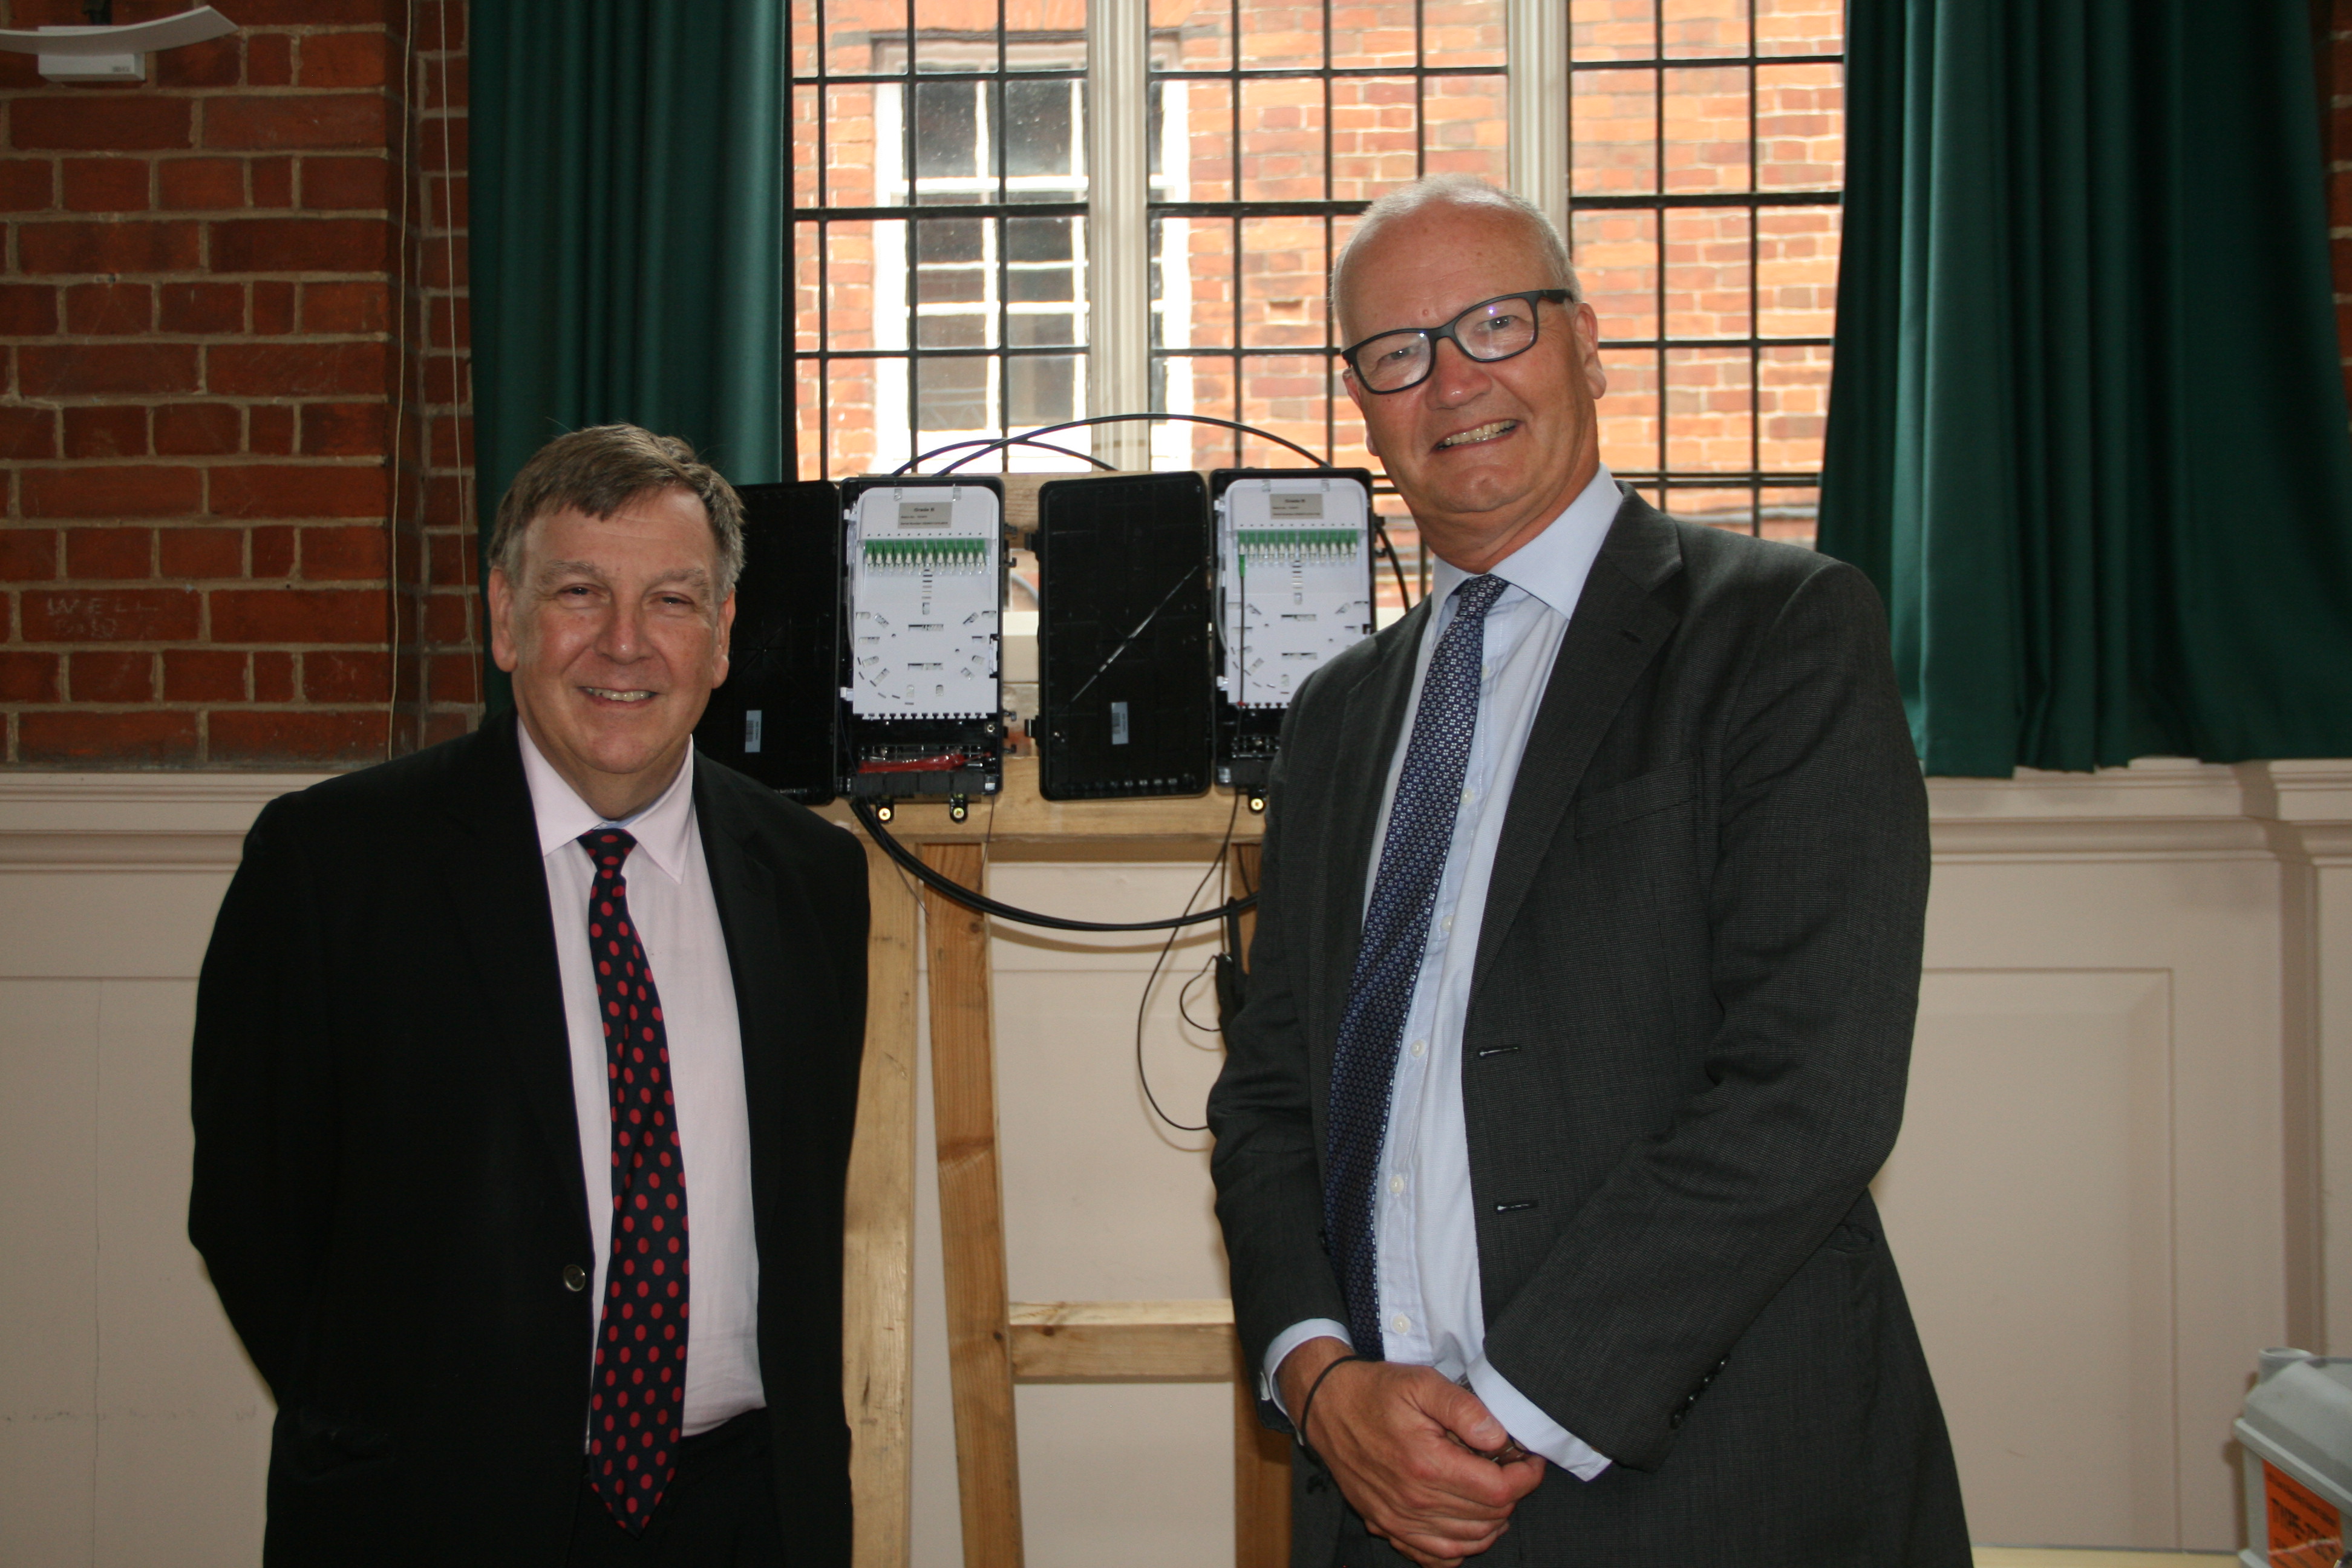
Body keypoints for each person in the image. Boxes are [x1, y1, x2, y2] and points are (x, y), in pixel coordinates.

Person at [1207, 177, 1971, 1567]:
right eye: (1398, 352)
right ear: (1364, 405)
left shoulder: (1781, 633)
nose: (1452, 382)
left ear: (1589, 341)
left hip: (1705, 1482)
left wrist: (1506, 1414)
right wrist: (1321, 1384)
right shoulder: (1332, 718)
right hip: (1378, 1494)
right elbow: (1269, 1098)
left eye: (1496, 323)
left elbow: (1810, 1090)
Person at [189, 425, 868, 1566]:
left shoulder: (811, 879)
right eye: (578, 592)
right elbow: (253, 1215)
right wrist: (392, 1438)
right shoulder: (332, 866)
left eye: (672, 600)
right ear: (504, 620)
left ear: (721, 640)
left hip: (745, 1516)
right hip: (431, 1516)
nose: (625, 643)